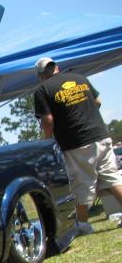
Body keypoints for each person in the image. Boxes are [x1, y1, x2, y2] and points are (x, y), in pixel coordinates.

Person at [33, 57, 122, 235]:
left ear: (40, 75)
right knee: (112, 176)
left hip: (76, 142)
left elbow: (48, 121)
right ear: (57, 68)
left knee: (81, 183)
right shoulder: (80, 78)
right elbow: (98, 102)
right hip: (100, 135)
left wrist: (47, 141)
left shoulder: (42, 90)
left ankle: (82, 225)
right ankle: (82, 223)